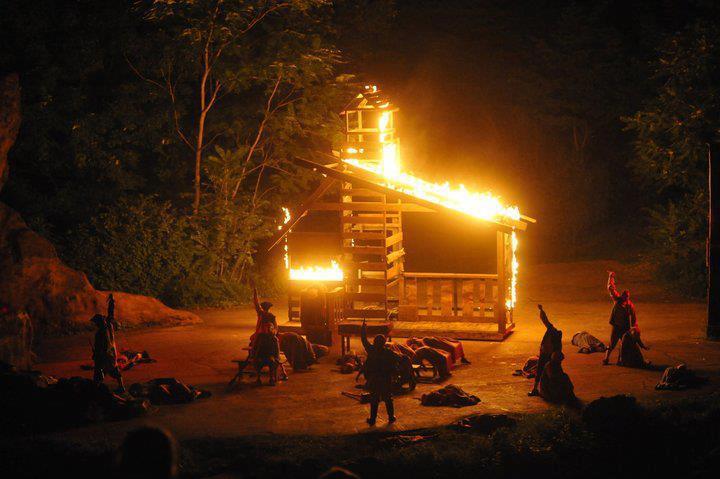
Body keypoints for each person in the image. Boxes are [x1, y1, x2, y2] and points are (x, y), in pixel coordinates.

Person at [361, 318, 398, 425]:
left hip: (374, 379)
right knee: (388, 399)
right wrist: (394, 376)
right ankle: (391, 417)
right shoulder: (389, 353)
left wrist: (363, 328)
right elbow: (394, 365)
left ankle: (372, 419)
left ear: (374, 342)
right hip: (386, 379)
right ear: (384, 343)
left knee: (374, 399)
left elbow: (364, 340)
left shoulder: (371, 350)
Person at [603, 271, 637, 365]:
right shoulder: (617, 300)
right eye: (624, 297)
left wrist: (633, 328)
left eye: (626, 298)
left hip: (625, 327)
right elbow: (611, 288)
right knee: (612, 343)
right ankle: (606, 358)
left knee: (623, 344)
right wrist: (611, 277)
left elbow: (633, 317)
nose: (625, 299)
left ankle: (621, 359)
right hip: (617, 326)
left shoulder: (629, 305)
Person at [528, 304, 562, 397]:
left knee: (547, 373)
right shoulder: (552, 331)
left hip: (549, 356)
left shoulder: (554, 336)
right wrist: (541, 310)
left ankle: (550, 390)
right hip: (544, 354)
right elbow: (545, 320)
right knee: (539, 371)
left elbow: (545, 321)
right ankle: (535, 389)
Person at [91, 314, 125, 393]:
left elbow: (101, 346)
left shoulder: (100, 333)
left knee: (99, 370)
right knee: (113, 370)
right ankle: (121, 386)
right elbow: (110, 317)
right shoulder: (110, 327)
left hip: (105, 355)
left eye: (96, 322)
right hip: (112, 353)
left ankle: (96, 388)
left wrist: (96, 354)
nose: (95, 324)